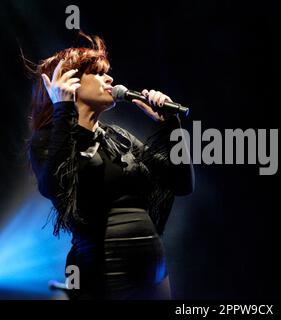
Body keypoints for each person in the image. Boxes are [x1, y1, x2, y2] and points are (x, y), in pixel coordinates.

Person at [27, 34, 194, 299]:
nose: (110, 80)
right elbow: (56, 186)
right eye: (97, 73)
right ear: (70, 83)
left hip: (152, 268)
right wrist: (63, 109)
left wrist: (171, 125)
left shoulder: (118, 137)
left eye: (108, 74)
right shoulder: (48, 139)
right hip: (103, 267)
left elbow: (182, 184)